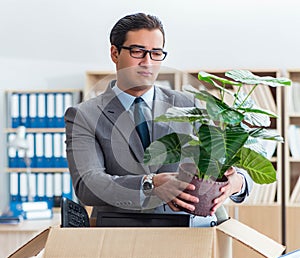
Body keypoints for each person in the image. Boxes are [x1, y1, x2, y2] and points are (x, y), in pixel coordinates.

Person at [64, 12, 253, 226]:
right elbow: (88, 185)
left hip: (189, 233)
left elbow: (226, 161)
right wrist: (150, 183)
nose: (148, 62)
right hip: (119, 235)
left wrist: (237, 182)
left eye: (156, 53)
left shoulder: (188, 105)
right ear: (115, 53)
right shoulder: (84, 115)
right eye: (138, 52)